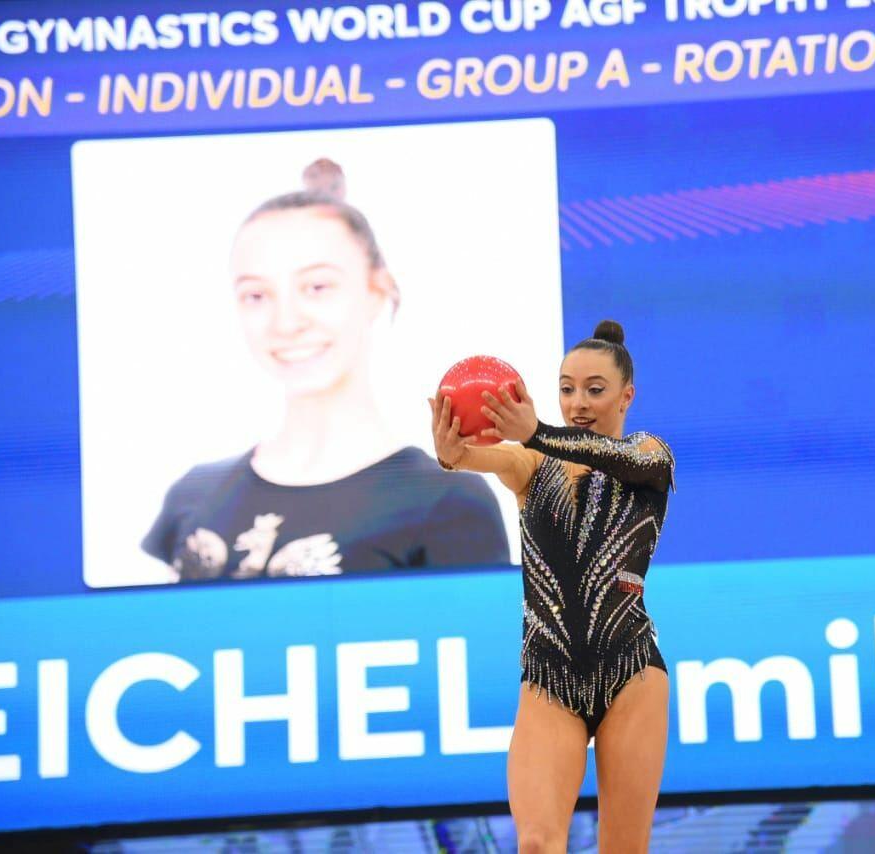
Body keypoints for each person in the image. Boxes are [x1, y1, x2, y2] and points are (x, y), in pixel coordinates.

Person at [143, 158, 509, 581]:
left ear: (378, 291)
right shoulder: (193, 494)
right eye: (256, 295)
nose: (286, 323)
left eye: (317, 287)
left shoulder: (446, 504)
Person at [428, 320, 676, 852]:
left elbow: (617, 457)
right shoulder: (531, 463)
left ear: (626, 396)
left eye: (594, 389)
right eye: (567, 389)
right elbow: (476, 457)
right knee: (537, 842)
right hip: (549, 678)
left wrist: (536, 429)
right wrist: (450, 451)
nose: (578, 402)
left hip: (631, 672)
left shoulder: (650, 456)